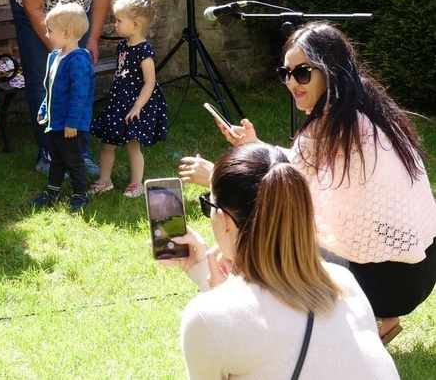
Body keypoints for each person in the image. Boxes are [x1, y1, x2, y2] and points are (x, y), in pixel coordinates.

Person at [179, 22, 436, 344]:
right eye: (286, 73)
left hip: (387, 283)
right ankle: (375, 316)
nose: (292, 83)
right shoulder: (367, 110)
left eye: (303, 73)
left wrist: (215, 176)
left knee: (268, 234)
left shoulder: (331, 126)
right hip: (420, 273)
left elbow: (282, 186)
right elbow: (308, 167)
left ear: (330, 71)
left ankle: (267, 318)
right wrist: (257, 144)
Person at [164, 143, 399, 379]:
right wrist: (204, 273)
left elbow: (238, 324)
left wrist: (216, 296)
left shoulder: (205, 317)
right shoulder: (342, 281)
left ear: (225, 221)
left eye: (209, 206)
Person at [9, 0, 117, 176]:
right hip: (37, 10)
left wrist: (91, 40)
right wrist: (59, 50)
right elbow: (33, 7)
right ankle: (48, 152)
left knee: (78, 76)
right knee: (43, 77)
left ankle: (79, 152)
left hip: (78, 11)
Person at [89, 0, 168, 198]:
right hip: (118, 102)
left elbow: (150, 83)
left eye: (118, 20)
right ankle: (105, 180)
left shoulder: (145, 51)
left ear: (135, 24)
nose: (115, 25)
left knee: (132, 145)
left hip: (135, 105)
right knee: (107, 143)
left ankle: (136, 183)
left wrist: (137, 107)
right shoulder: (123, 46)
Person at [29, 3, 95, 212]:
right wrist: (43, 109)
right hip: (56, 121)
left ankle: (79, 195)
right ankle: (52, 191)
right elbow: (50, 89)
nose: (47, 35)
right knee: (56, 158)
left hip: (71, 124)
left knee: (74, 160)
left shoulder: (78, 61)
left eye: (50, 30)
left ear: (66, 33)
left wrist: (72, 122)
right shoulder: (55, 57)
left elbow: (79, 95)